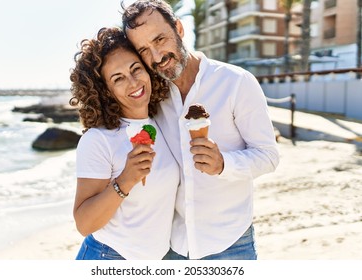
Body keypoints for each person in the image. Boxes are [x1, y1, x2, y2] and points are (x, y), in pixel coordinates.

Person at [121, 0, 280, 260]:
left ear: (179, 29)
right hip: (171, 247)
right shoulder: (153, 96)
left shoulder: (236, 82)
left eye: (160, 39)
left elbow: (268, 156)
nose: (157, 56)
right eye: (144, 50)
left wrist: (223, 164)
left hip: (230, 245)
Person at [69, 27, 179, 260]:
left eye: (135, 69)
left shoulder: (164, 121)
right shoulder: (98, 140)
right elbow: (84, 223)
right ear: (106, 91)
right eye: (118, 78)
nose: (133, 82)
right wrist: (125, 180)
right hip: (108, 257)